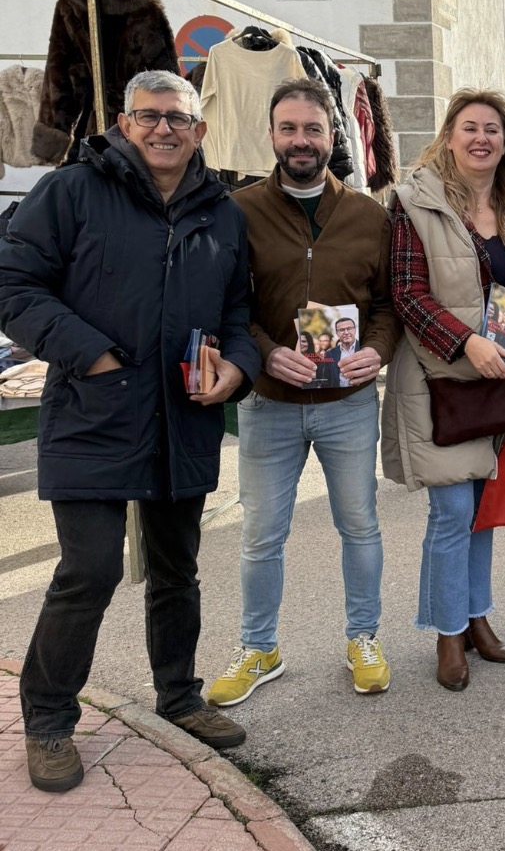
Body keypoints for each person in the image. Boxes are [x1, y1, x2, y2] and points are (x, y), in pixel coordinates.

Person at [0, 70, 261, 792]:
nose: (163, 129)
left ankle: (178, 697)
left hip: (183, 416)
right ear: (123, 122)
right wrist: (93, 354)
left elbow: (238, 315)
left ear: (199, 130)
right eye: (148, 116)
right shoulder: (71, 191)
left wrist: (237, 369)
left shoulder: (222, 211)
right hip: (95, 410)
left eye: (177, 118)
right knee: (89, 570)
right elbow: (12, 286)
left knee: (177, 570)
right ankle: (48, 720)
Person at [207, 77, 399, 706]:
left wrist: (377, 350)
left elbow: (388, 305)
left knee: (360, 525)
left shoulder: (369, 215)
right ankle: (259, 648)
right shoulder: (239, 211)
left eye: (312, 129)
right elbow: (228, 306)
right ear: (271, 134)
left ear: (332, 135)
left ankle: (363, 638)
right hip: (271, 402)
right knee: (262, 533)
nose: (300, 140)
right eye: (288, 128)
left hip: (348, 404)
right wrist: (266, 352)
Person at [381, 89, 505, 690]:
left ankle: (477, 617)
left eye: (493, 129)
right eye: (470, 127)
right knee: (453, 511)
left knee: (483, 511)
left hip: (498, 382)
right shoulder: (413, 202)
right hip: (438, 380)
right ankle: (448, 631)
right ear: (449, 137)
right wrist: (466, 343)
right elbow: (406, 293)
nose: (482, 138)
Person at [328, 316, 360, 386]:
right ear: (337, 333)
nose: (346, 332)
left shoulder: (364, 349)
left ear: (355, 330)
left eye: (349, 328)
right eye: (342, 330)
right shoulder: (329, 354)